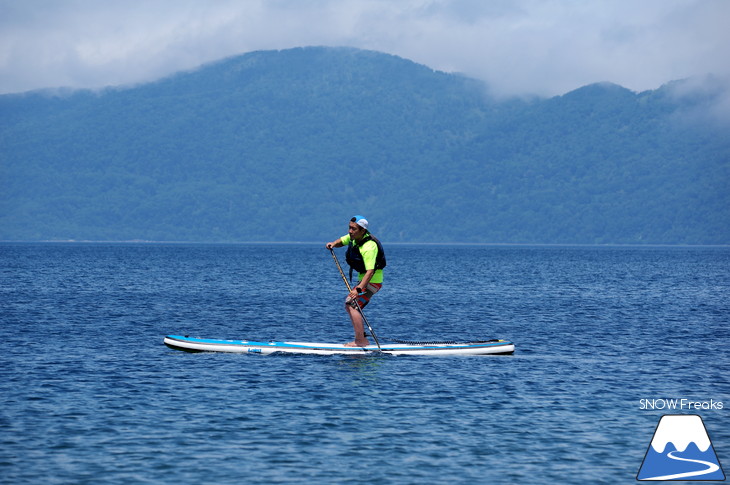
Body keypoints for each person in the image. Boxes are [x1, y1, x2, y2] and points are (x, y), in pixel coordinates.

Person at [326, 215, 386, 347]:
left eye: (353, 229)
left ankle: (361, 341)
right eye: (349, 228)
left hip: (372, 282)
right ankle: (360, 339)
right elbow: (343, 240)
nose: (350, 231)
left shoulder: (369, 247)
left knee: (351, 305)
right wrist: (333, 244)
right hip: (363, 281)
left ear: (362, 231)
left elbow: (370, 272)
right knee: (352, 305)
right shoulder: (354, 238)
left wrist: (359, 289)